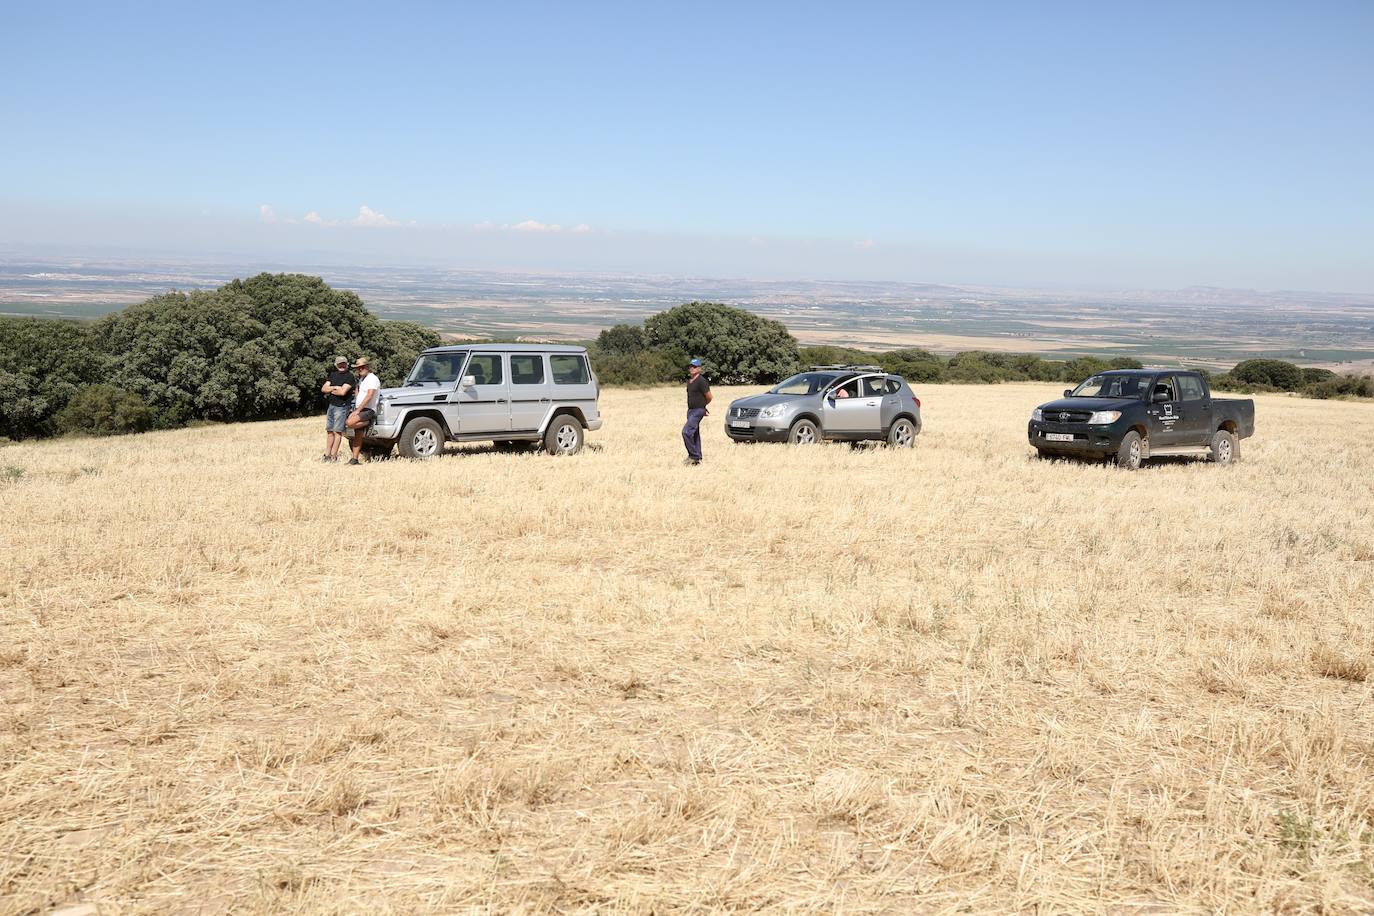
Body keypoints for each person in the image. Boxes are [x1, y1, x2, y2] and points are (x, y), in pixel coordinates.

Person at [345, 357, 381, 465]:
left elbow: (370, 395)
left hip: (368, 409)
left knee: (349, 423)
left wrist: (357, 410)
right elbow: (360, 393)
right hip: (361, 408)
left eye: (362, 367)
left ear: (367, 367)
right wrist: (357, 389)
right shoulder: (362, 379)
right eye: (358, 368)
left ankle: (368, 422)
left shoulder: (372, 379)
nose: (360, 369)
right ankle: (354, 459)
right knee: (358, 435)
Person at [320, 355, 355, 462]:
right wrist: (335, 388)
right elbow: (323, 389)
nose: (342, 366)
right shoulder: (332, 375)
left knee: (337, 432)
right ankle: (327, 455)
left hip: (342, 407)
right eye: (339, 364)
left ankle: (333, 456)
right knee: (330, 431)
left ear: (347, 364)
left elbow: (343, 392)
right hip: (332, 406)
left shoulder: (349, 376)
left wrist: (330, 390)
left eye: (343, 363)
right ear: (336, 365)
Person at [682, 357, 711, 465]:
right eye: (690, 366)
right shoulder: (690, 381)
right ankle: (698, 457)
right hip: (690, 411)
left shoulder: (701, 381)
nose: (692, 368)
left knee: (686, 432)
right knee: (694, 434)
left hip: (698, 411)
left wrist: (702, 407)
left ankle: (693, 456)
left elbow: (709, 397)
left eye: (694, 367)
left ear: (699, 369)